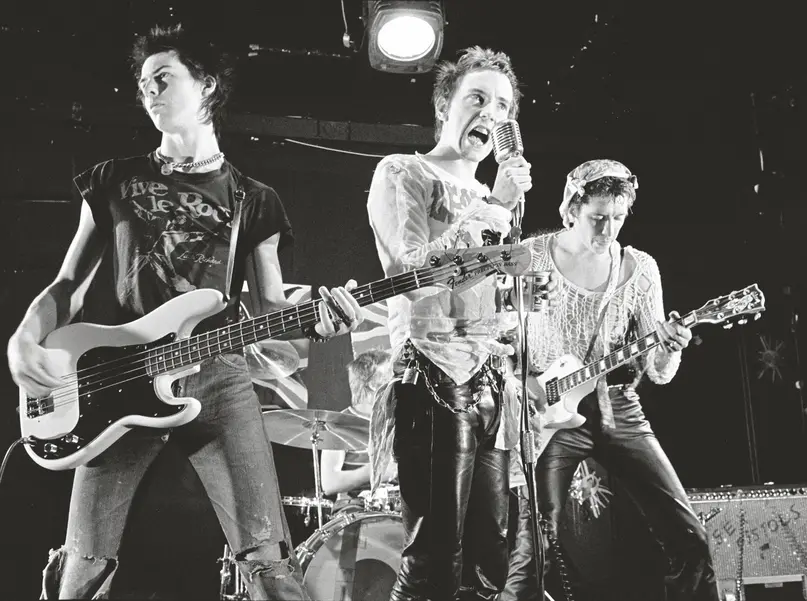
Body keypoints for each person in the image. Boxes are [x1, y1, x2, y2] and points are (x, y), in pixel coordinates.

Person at [6, 25, 363, 600]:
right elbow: (68, 283)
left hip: (220, 376)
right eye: (142, 83)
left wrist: (326, 332)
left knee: (267, 560)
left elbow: (274, 308)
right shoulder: (113, 178)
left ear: (207, 87)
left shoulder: (255, 198)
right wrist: (25, 335)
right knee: (83, 565)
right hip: (118, 377)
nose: (148, 91)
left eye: (162, 78)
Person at [500, 160, 719, 601]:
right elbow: (498, 337)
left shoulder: (639, 269)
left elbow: (657, 372)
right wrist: (518, 385)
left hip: (617, 404)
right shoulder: (531, 256)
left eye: (618, 218)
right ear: (571, 209)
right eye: (598, 218)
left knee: (690, 538)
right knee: (534, 549)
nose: (608, 230)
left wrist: (669, 346)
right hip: (547, 412)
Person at [366, 46, 533, 601]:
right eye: (477, 98)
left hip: (490, 381)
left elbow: (492, 292)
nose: (491, 112)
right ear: (445, 104)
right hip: (431, 374)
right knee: (435, 558)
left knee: (491, 555)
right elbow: (410, 273)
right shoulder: (403, 172)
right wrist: (494, 209)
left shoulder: (498, 199)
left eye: (503, 106)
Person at [320, 348, 397, 510]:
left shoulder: (397, 419)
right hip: (356, 508)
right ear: (372, 385)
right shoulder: (339, 424)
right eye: (391, 376)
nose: (396, 381)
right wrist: (375, 472)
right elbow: (329, 483)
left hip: (396, 506)